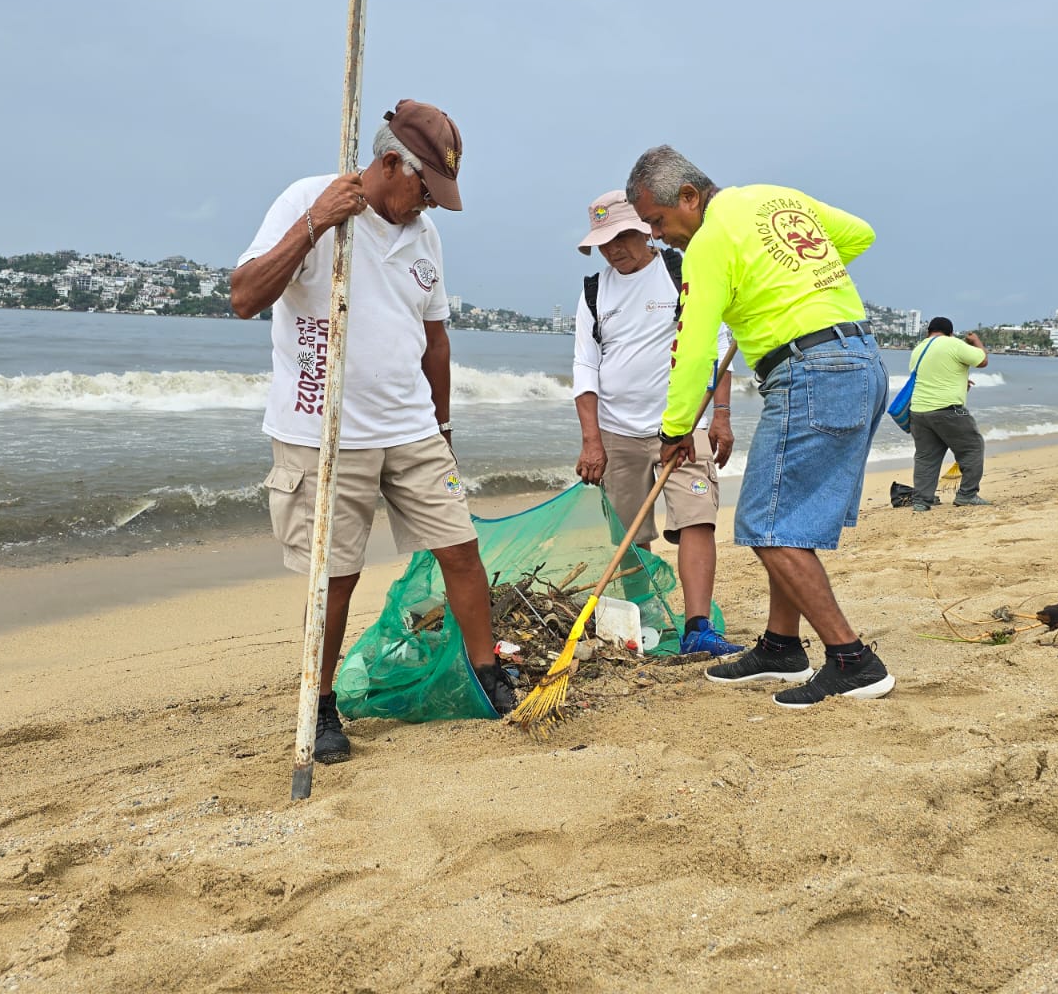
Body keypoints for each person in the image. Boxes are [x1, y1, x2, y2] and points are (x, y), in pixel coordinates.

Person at [230, 99, 513, 765]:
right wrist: (315, 224)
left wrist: (442, 426)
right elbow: (244, 296)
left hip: (410, 427)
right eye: (425, 189)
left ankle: (488, 673)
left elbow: (435, 340)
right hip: (321, 430)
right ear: (390, 163)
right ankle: (320, 702)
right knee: (336, 576)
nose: (430, 206)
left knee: (462, 549)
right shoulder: (309, 199)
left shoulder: (423, 235)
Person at [625, 145, 895, 708]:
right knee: (787, 517)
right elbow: (860, 235)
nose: (657, 235)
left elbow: (694, 350)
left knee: (765, 523)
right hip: (859, 358)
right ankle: (780, 646)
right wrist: (784, 278)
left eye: (656, 220)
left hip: (811, 370)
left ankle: (851, 660)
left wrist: (674, 431)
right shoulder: (777, 197)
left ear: (690, 198)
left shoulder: (707, 245)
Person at [572, 189, 742, 657]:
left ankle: (697, 627)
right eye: (604, 242)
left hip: (683, 430)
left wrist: (721, 418)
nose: (613, 250)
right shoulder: (594, 291)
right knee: (629, 535)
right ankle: (644, 625)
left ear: (646, 229)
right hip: (616, 433)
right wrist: (592, 441)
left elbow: (717, 346)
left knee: (697, 520)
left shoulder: (679, 273)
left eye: (622, 236)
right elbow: (585, 368)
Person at [906, 318, 990, 512]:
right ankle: (967, 495)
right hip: (947, 410)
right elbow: (982, 361)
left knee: (926, 457)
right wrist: (976, 341)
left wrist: (960, 383)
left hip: (919, 411)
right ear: (950, 332)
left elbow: (930, 376)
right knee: (973, 448)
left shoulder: (919, 349)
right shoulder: (954, 344)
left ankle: (921, 500)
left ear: (929, 331)